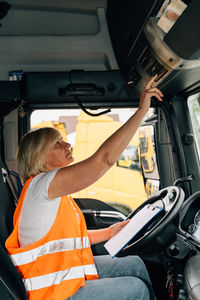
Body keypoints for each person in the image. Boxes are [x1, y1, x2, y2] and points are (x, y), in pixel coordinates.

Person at [5, 75, 163, 300]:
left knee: (135, 264)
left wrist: (109, 232)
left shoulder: (48, 190)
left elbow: (65, 239)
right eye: (57, 143)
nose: (67, 144)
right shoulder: (43, 185)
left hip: (61, 276)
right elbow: (104, 160)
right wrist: (141, 111)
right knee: (136, 289)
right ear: (40, 156)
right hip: (53, 292)